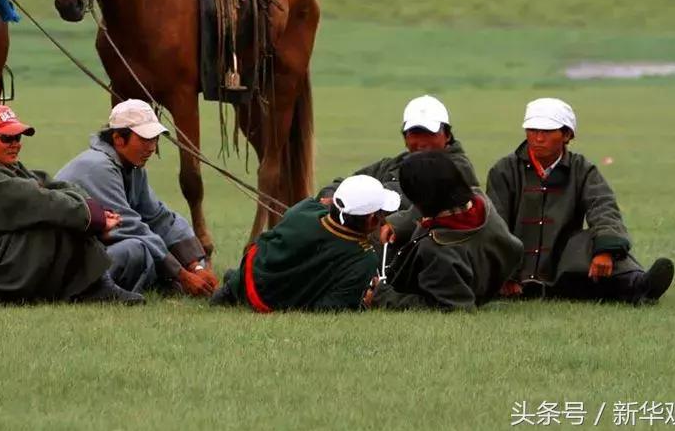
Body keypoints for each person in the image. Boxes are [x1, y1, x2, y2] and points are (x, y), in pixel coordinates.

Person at [0, 104, 144, 305]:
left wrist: (91, 212)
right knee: (59, 219)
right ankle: (97, 289)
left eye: (17, 137)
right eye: (7, 138)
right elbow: (41, 200)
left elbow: (54, 185)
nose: (15, 144)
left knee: (65, 215)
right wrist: (95, 218)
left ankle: (93, 286)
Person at [485, 97, 675, 304]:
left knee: (597, 242)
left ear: (567, 135)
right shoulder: (504, 170)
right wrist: (505, 274)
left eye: (547, 132)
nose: (538, 138)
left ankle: (641, 286)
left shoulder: (582, 169)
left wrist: (605, 252)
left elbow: (603, 208)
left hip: (563, 262)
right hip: (515, 263)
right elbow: (496, 225)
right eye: (532, 130)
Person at [56, 99, 218, 297]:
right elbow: (128, 226)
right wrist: (182, 274)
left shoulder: (133, 167)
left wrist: (196, 267)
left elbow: (159, 218)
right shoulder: (97, 167)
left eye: (155, 139)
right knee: (136, 250)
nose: (152, 147)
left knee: (146, 247)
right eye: (144, 139)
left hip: (94, 252)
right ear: (118, 139)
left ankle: (169, 283)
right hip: (67, 262)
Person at [211, 175, 400, 312]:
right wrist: (363, 304)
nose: (384, 219)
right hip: (272, 301)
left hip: (254, 271)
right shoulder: (364, 259)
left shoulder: (305, 209)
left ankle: (234, 285)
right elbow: (330, 307)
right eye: (382, 214)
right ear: (371, 219)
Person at [319, 94, 480, 248]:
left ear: (447, 134)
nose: (422, 142)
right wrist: (331, 196)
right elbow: (350, 181)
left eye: (429, 133)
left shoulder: (457, 169)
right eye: (415, 134)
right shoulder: (394, 164)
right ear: (405, 138)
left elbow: (428, 203)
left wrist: (397, 223)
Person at [370, 152, 523, 311]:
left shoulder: (439, 252)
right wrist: (399, 224)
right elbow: (436, 201)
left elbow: (453, 307)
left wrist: (382, 297)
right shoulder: (480, 201)